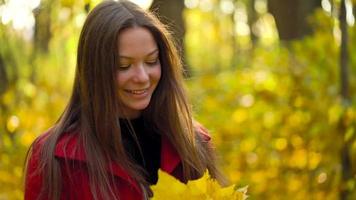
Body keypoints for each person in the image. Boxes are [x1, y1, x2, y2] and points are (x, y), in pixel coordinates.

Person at [24, 0, 226, 199]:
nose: (142, 77)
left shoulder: (193, 142)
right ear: (94, 71)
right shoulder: (54, 159)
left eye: (151, 61)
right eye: (123, 65)